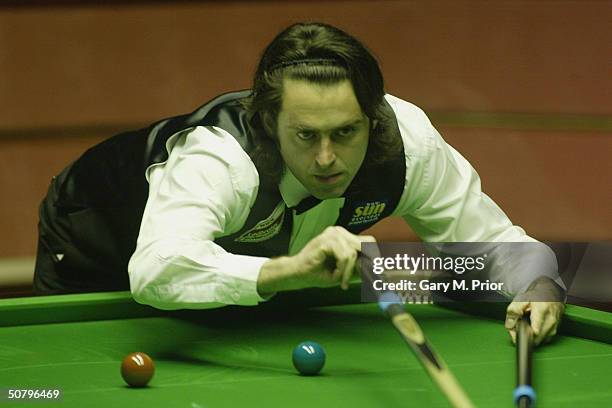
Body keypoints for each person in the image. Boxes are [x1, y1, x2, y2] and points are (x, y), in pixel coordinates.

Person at [34, 22, 564, 345]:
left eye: (346, 131)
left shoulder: (408, 147)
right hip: (96, 240)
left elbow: (495, 247)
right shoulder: (220, 157)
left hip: (244, 262)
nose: (327, 158)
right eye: (306, 135)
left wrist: (539, 285)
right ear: (269, 120)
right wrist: (290, 270)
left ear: (372, 119)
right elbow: (157, 269)